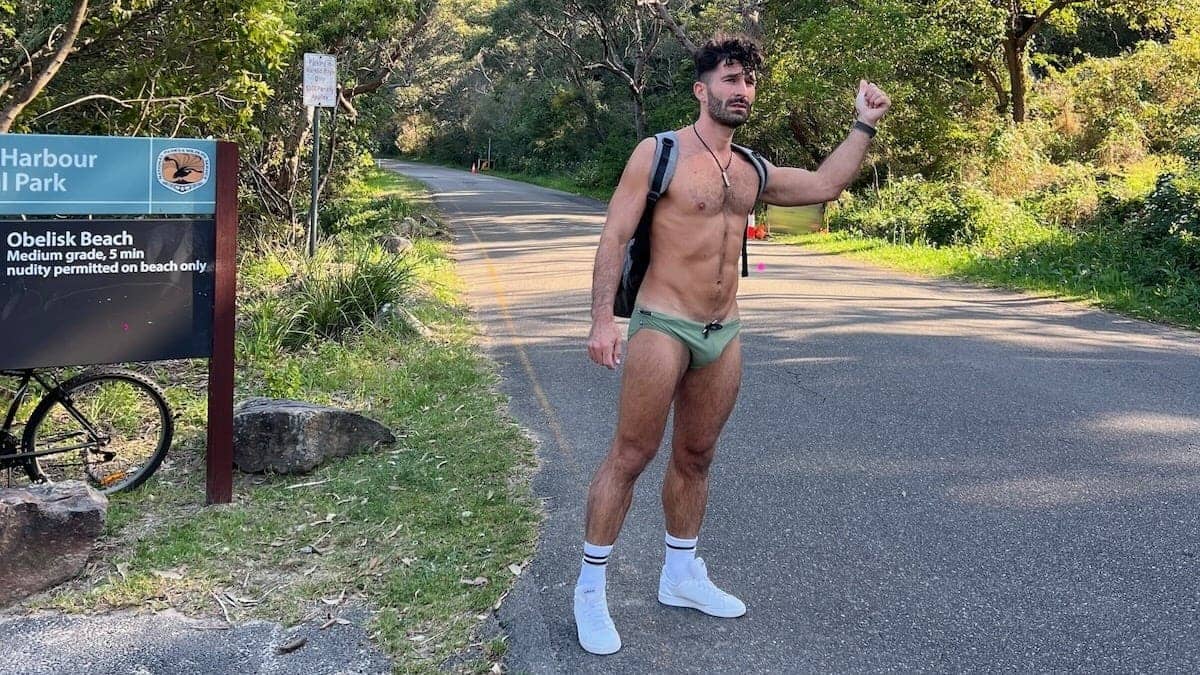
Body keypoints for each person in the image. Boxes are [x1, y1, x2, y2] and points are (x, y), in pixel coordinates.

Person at [576, 33, 891, 655]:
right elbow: (614, 236)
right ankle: (590, 589)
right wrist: (601, 320)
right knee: (631, 455)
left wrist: (864, 124)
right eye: (728, 79)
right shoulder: (658, 153)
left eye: (747, 81)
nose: (740, 90)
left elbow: (825, 185)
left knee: (696, 457)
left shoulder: (751, 170)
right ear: (702, 90)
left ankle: (682, 574)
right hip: (663, 323)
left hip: (725, 331)